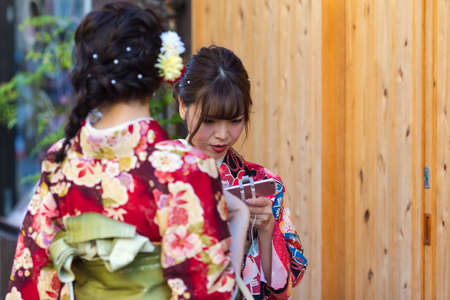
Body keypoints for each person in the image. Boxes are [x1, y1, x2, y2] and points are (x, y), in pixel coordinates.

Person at [6, 4, 245, 299]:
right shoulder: (184, 169)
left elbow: (31, 278)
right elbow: (210, 292)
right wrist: (241, 218)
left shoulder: (61, 161)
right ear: (159, 74)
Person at [174, 46, 308, 299]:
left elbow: (282, 290)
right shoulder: (157, 171)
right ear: (183, 105)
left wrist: (267, 230)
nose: (223, 135)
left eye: (235, 121)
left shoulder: (265, 183)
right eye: (210, 121)